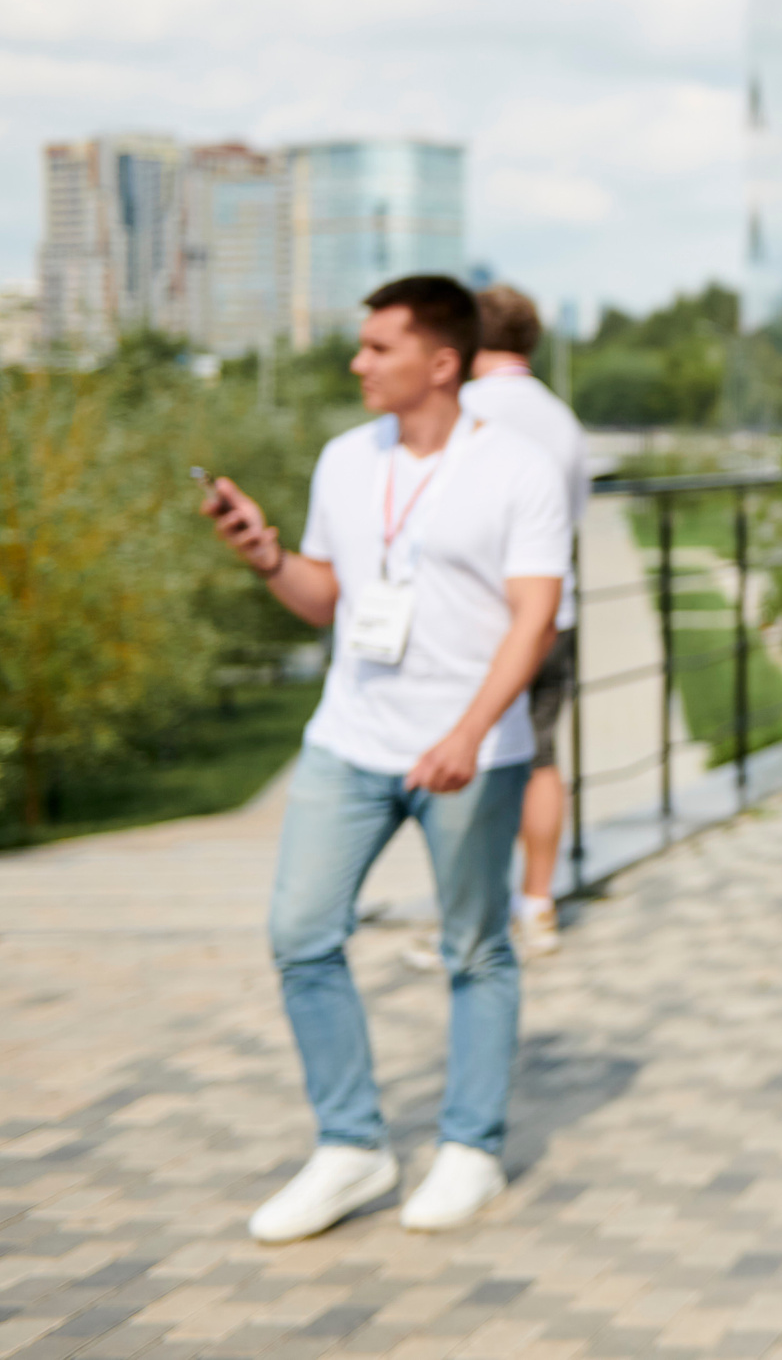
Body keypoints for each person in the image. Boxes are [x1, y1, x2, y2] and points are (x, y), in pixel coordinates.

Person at [199, 275, 571, 1241]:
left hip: (472, 752)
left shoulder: (517, 470)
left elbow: (534, 619)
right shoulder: (343, 460)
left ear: (439, 362)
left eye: (376, 347)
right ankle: (351, 1145)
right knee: (301, 933)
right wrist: (267, 556)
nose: (356, 362)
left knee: (475, 946)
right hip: (347, 741)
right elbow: (327, 598)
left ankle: (471, 1148)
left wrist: (467, 732)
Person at [463, 284, 591, 957]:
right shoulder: (560, 417)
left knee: (472, 759)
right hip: (554, 614)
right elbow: (573, 513)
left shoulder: (460, 413)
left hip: (479, 621)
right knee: (541, 757)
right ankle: (537, 902)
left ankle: (471, 917)